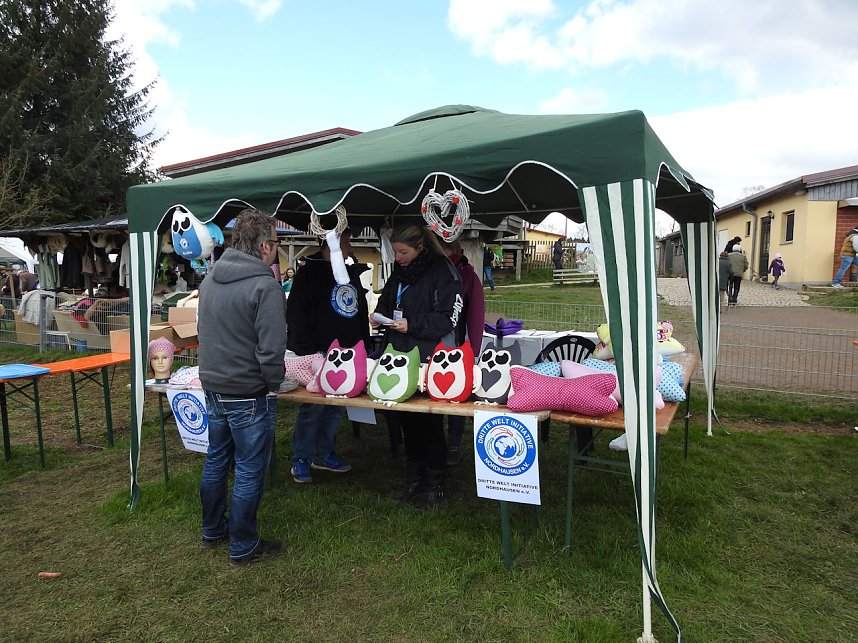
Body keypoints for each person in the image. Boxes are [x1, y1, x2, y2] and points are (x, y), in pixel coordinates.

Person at [197, 208, 287, 567]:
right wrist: (273, 383)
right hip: (246, 390)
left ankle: (212, 529)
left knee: (217, 459)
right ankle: (243, 545)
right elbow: (271, 347)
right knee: (249, 468)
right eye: (278, 243)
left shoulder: (209, 280)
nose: (278, 249)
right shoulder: (265, 285)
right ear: (266, 246)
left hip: (214, 384)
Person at [370, 224, 463, 511]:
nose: (397, 257)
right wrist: (379, 316)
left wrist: (413, 324)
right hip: (398, 355)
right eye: (395, 252)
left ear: (420, 247)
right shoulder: (399, 273)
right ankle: (413, 480)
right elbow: (386, 302)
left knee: (430, 422)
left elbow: (449, 318)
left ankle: (434, 486)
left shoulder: (442, 272)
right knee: (407, 420)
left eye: (403, 252)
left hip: (428, 358)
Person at [286, 229, 368, 483]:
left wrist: (362, 344)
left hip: (346, 352)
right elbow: (296, 313)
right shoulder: (310, 272)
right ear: (331, 243)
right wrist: (307, 349)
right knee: (312, 408)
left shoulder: (349, 272)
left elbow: (358, 309)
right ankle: (301, 458)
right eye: (347, 241)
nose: (350, 246)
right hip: (318, 351)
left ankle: (323, 453)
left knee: (335, 409)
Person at [441, 240, 485, 466]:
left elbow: (476, 315)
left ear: (455, 251)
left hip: (458, 343)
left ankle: (455, 441)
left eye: (444, 249)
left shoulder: (468, 277)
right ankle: (435, 441)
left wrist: (473, 350)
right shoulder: (433, 272)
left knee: (457, 394)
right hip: (433, 342)